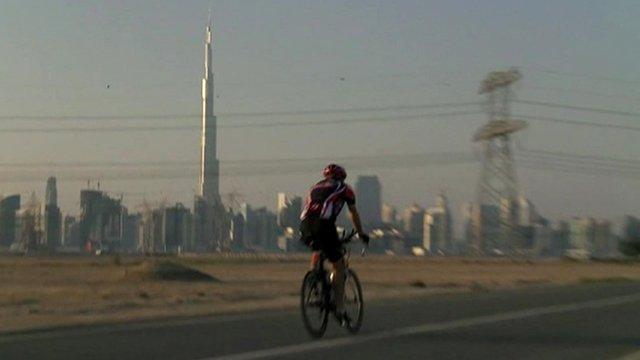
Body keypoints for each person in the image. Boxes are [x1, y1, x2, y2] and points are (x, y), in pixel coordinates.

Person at [299, 163, 369, 324]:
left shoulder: (314, 188)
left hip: (304, 225)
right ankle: (340, 308)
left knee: (318, 249)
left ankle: (314, 282)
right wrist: (360, 233)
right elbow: (353, 212)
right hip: (324, 225)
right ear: (342, 177)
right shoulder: (344, 188)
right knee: (338, 265)